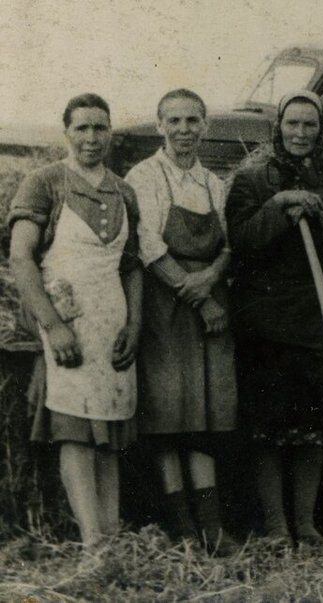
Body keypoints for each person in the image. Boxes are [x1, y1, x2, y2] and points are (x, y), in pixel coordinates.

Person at [225, 91, 323, 545]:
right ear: (279, 128)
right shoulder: (252, 182)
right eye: (293, 124)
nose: (301, 134)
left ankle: (305, 523)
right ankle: (275, 525)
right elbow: (242, 243)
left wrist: (320, 213)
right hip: (266, 322)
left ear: (321, 131)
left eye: (310, 125)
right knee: (269, 431)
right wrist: (278, 206)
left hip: (319, 322)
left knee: (310, 432)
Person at [7, 93, 143, 548]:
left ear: (110, 132)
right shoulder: (44, 182)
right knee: (76, 431)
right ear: (65, 131)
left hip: (113, 320)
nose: (91, 137)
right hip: (67, 319)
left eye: (99, 127)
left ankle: (113, 536)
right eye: (81, 127)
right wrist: (54, 325)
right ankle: (92, 543)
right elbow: (21, 259)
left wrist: (135, 326)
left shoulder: (124, 190)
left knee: (109, 430)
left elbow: (131, 266)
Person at [124, 89, 238, 555]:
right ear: (159, 126)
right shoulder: (144, 176)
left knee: (205, 413)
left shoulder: (214, 183)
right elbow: (149, 245)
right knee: (169, 416)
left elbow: (229, 246)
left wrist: (210, 282)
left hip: (209, 305)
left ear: (205, 126)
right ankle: (184, 528)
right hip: (166, 309)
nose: (184, 129)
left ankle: (212, 527)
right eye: (175, 120)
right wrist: (195, 295)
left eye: (193, 120)